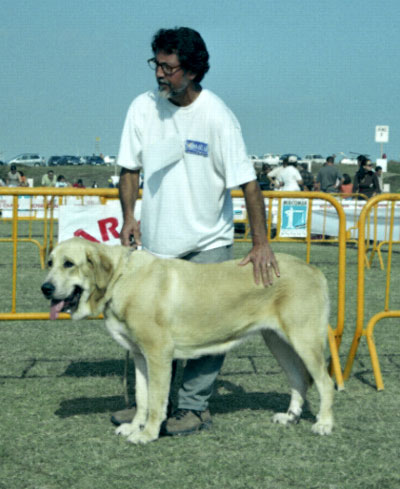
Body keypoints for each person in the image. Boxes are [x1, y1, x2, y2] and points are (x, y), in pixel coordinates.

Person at [113, 27, 279, 436]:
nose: (159, 75)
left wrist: (261, 243)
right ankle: (149, 406)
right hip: (154, 247)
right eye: (156, 64)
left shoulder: (218, 117)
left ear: (191, 70)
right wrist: (129, 216)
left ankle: (194, 407)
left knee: (211, 326)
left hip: (208, 243)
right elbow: (128, 169)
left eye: (168, 68)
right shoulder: (142, 108)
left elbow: (249, 184)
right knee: (148, 327)